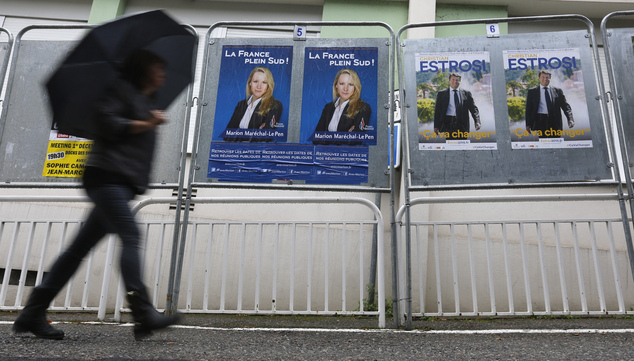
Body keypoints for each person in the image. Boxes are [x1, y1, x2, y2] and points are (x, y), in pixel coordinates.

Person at [13, 50, 180, 341]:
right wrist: (147, 124)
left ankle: (32, 312)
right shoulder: (118, 90)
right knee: (131, 235)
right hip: (106, 177)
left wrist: (149, 119)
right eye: (157, 66)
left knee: (77, 250)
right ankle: (142, 312)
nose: (163, 73)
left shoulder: (145, 101)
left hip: (122, 182)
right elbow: (107, 124)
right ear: (142, 68)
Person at [313, 68, 371, 144]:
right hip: (327, 154)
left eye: (350, 84)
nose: (345, 89)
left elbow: (355, 140)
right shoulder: (328, 107)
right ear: (336, 85)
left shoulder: (363, 107)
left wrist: (328, 137)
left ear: (355, 87)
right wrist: (345, 135)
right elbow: (316, 138)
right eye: (342, 84)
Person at [223, 66, 282, 141]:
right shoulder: (241, 104)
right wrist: (255, 133)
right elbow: (227, 135)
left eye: (264, 82)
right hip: (236, 150)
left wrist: (238, 132)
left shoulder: (274, 105)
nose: (259, 86)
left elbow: (265, 137)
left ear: (268, 86)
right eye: (255, 81)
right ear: (250, 83)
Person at [525, 70, 574, 138]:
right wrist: (528, 124)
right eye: (543, 77)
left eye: (547, 77)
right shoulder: (532, 92)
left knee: (556, 142)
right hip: (540, 120)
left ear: (550, 78)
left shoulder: (558, 91)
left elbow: (565, 106)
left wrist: (570, 119)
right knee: (543, 143)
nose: (545, 79)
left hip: (555, 121)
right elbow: (528, 109)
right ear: (539, 78)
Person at [433, 73, 481, 140]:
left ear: (460, 81)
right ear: (449, 80)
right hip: (448, 123)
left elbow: (473, 109)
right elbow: (437, 111)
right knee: (450, 145)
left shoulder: (466, 93)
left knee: (463, 145)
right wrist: (436, 126)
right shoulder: (441, 94)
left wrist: (477, 121)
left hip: (462, 123)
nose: (455, 82)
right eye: (453, 80)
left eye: (457, 80)